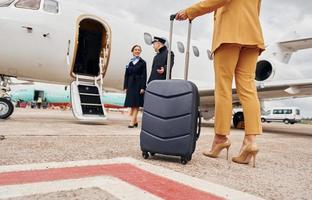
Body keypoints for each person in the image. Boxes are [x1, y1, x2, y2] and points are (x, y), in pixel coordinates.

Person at [176, 0, 265, 167]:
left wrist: (190, 11)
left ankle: (220, 138)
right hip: (253, 35)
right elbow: (256, 10)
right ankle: (250, 141)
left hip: (229, 35)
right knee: (248, 89)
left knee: (223, 88)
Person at [123, 45, 147, 128]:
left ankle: (132, 122)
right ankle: (135, 120)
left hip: (138, 84)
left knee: (136, 104)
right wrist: (125, 86)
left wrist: (143, 87)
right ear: (132, 51)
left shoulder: (143, 63)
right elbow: (126, 75)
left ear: (140, 52)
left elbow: (144, 75)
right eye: (135, 50)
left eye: (139, 50)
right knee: (131, 103)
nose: (137, 51)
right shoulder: (129, 62)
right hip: (130, 84)